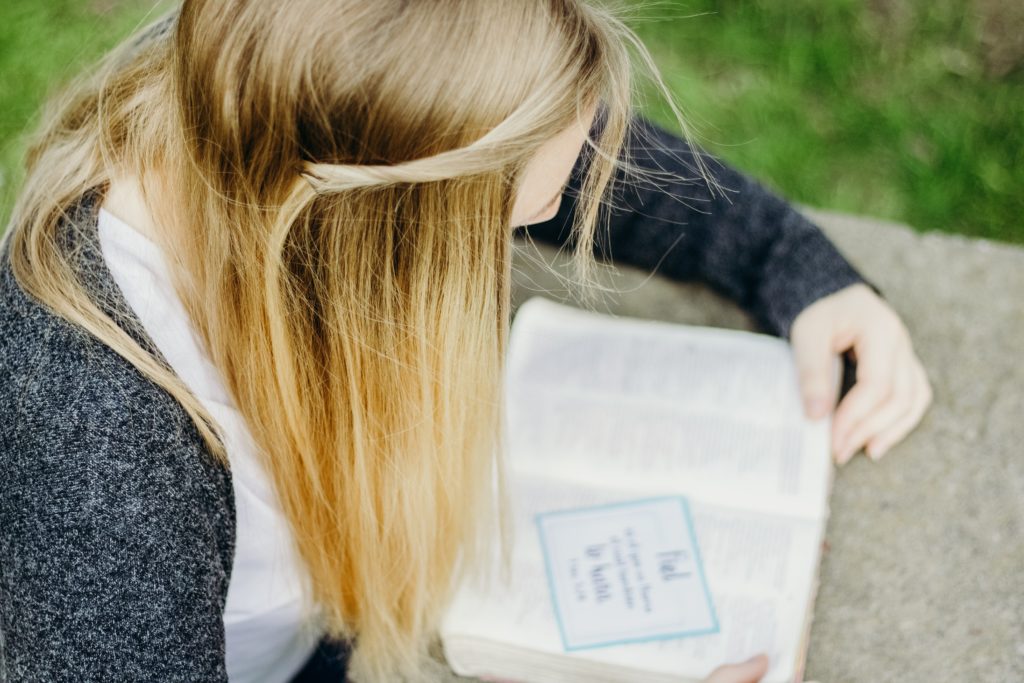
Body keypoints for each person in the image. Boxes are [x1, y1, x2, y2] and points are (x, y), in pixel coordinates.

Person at [0, 1, 931, 682]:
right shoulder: (98, 451)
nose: (546, 226)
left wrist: (797, 266)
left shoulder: (271, 84)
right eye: (508, 227)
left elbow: (568, 153)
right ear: (379, 238)